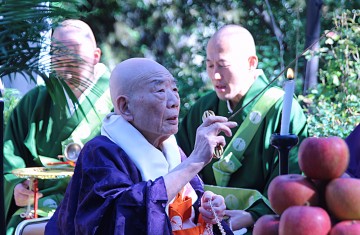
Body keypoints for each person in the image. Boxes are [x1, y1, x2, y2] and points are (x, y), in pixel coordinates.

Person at [45, 58, 237, 234]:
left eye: (175, 90)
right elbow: (120, 220)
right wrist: (195, 161)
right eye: (160, 91)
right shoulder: (100, 154)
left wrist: (208, 206)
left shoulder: (171, 149)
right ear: (125, 107)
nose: (174, 102)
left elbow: (192, 199)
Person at [176, 24, 309, 233]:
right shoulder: (202, 108)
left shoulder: (282, 109)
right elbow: (179, 164)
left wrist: (253, 215)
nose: (215, 75)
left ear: (251, 63)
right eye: (210, 65)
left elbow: (293, 174)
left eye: (222, 65)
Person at [3, 19, 113, 234]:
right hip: (39, 206)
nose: (66, 61)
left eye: (74, 53)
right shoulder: (35, 102)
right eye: (58, 53)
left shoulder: (119, 99)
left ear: (95, 56)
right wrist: (15, 187)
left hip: (98, 205)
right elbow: (9, 153)